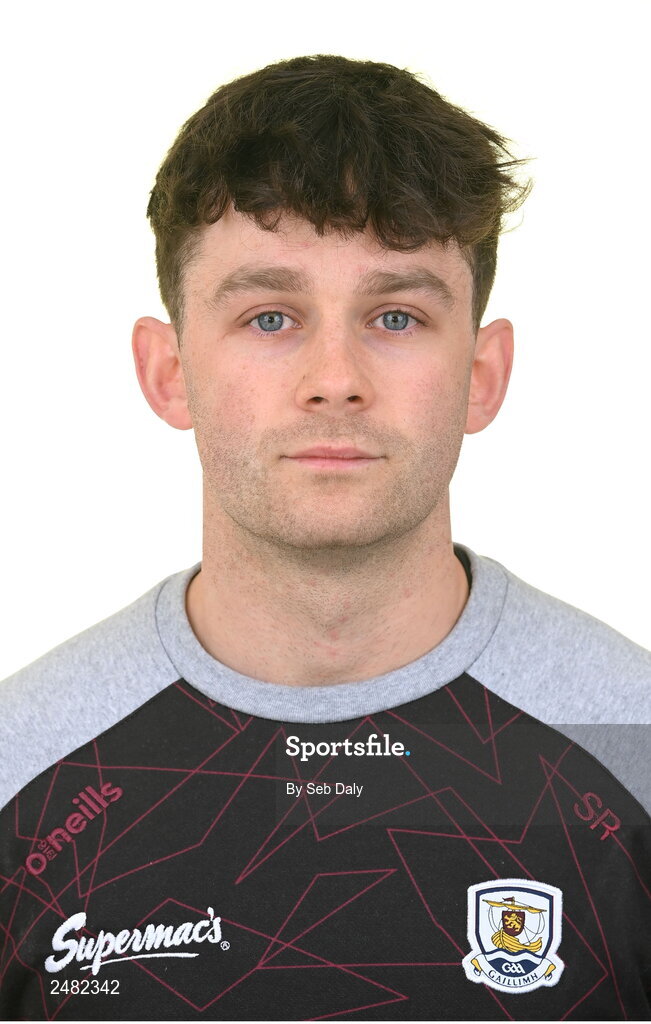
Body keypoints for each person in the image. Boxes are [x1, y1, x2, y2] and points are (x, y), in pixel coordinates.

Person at [0, 54, 649, 1022]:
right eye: (270, 316)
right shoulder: (25, 766)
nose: (335, 377)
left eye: (396, 314)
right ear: (167, 369)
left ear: (483, 372)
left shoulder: (632, 748)